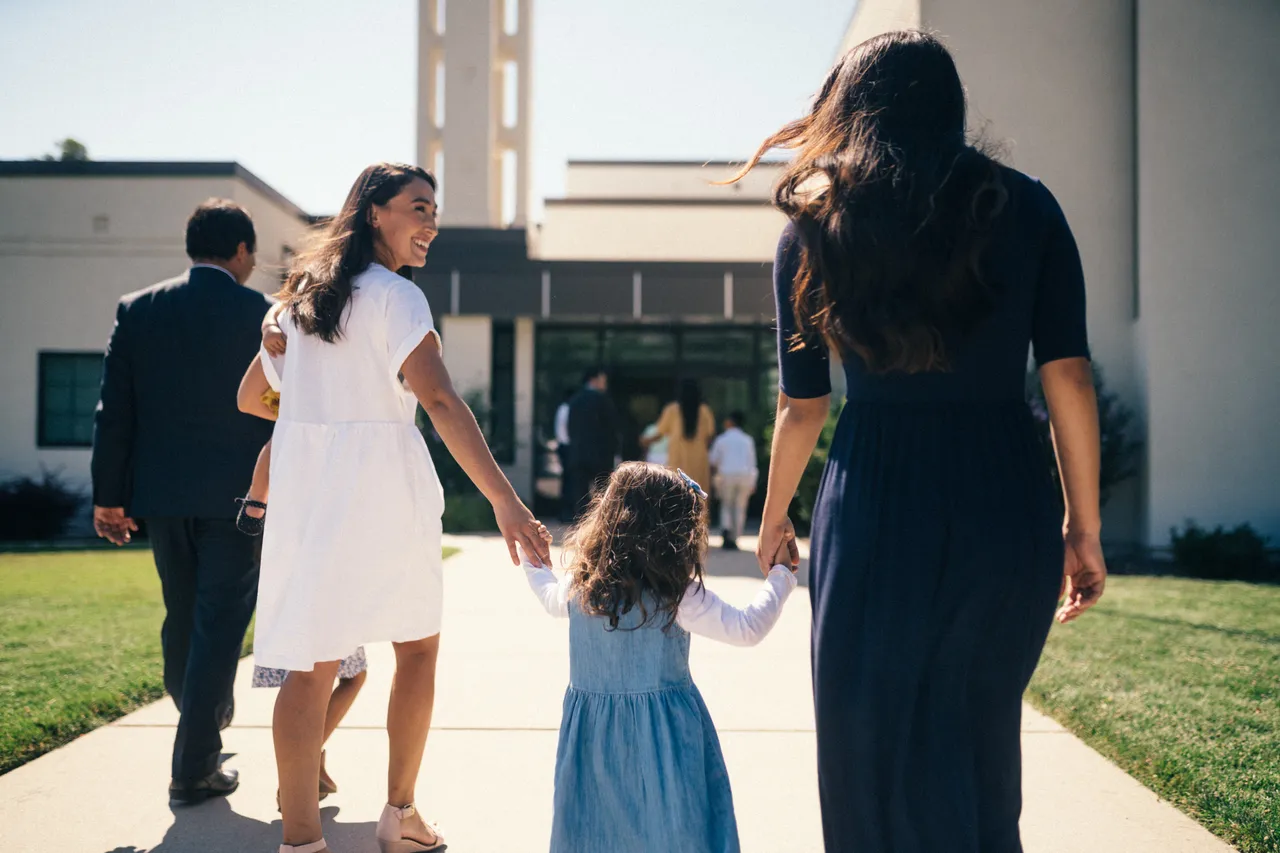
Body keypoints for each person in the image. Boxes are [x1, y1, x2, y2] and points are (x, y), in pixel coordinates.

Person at [731, 31, 1108, 852]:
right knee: (977, 740)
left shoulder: (815, 226)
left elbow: (803, 407)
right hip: (1004, 493)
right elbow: (1068, 376)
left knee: (864, 741)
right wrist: (1083, 526)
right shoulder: (1026, 206)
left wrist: (773, 515)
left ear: (850, 107)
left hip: (874, 498)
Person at [246, 162, 552, 853]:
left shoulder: (293, 304)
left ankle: (301, 840)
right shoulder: (396, 298)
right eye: (418, 208)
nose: (430, 224)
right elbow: (440, 400)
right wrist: (505, 499)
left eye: (434, 212)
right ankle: (400, 814)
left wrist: (298, 384)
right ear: (374, 212)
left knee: (310, 665)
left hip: (308, 490)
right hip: (382, 488)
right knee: (416, 649)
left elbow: (258, 395)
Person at [90, 198, 273, 805]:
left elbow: (115, 412)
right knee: (218, 625)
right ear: (242, 251)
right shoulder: (264, 316)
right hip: (240, 499)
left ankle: (201, 718)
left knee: (184, 617)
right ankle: (195, 763)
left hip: (163, 498)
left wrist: (109, 498)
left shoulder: (139, 309)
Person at [522, 463, 798, 853]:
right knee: (673, 829)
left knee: (596, 831)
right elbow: (747, 628)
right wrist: (782, 576)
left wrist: (532, 556)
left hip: (594, 743)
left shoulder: (581, 587)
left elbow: (547, 593)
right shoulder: (675, 595)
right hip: (666, 740)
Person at [234, 315, 368, 809]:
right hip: (325, 546)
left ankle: (311, 763)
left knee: (312, 672)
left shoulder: (295, 419)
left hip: (292, 541)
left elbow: (249, 400)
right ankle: (303, 765)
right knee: (337, 673)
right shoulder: (340, 396)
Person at [564, 367, 618, 521]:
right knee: (604, 494)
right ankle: (601, 524)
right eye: (603, 380)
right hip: (601, 454)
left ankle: (580, 525)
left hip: (578, 453)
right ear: (594, 380)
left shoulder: (575, 400)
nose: (605, 384)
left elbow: (569, 427)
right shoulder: (604, 400)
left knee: (580, 495)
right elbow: (611, 429)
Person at [648, 379, 716, 490]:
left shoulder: (671, 410)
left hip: (677, 458)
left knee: (678, 489)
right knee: (699, 492)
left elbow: (659, 434)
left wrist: (644, 441)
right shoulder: (705, 411)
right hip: (699, 460)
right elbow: (710, 436)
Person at [709, 411, 758, 550]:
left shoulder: (722, 439)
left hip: (726, 474)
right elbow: (752, 462)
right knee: (740, 507)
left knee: (726, 504)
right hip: (745, 475)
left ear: (730, 422)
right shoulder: (748, 440)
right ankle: (735, 536)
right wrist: (752, 482)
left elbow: (713, 460)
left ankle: (726, 530)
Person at [553, 388, 574, 521]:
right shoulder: (566, 409)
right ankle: (565, 513)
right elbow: (563, 431)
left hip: (566, 446)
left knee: (569, 480)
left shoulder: (564, 409)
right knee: (569, 480)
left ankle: (566, 512)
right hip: (567, 447)